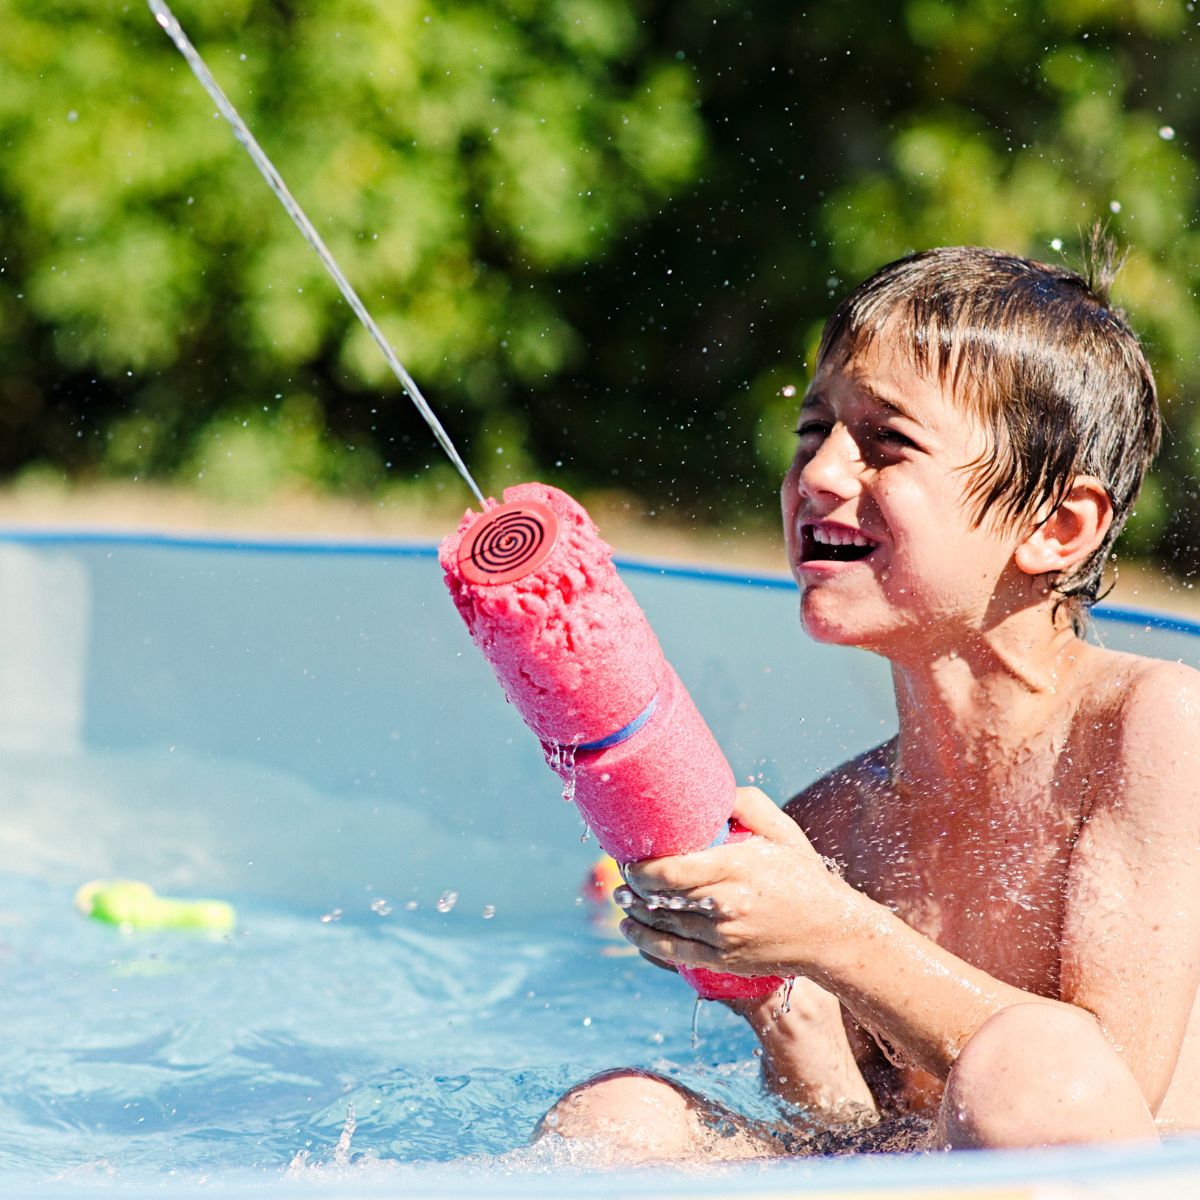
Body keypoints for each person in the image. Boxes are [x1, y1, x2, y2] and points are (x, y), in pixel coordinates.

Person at [534, 241, 1200, 1161]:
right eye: (812, 433)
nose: (819, 475)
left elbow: (1093, 1101)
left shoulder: (1153, 729)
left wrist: (832, 933)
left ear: (1056, 527)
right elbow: (845, 1131)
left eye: (886, 443)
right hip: (921, 1171)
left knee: (1040, 1065)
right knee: (618, 1118)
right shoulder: (834, 830)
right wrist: (781, 992)